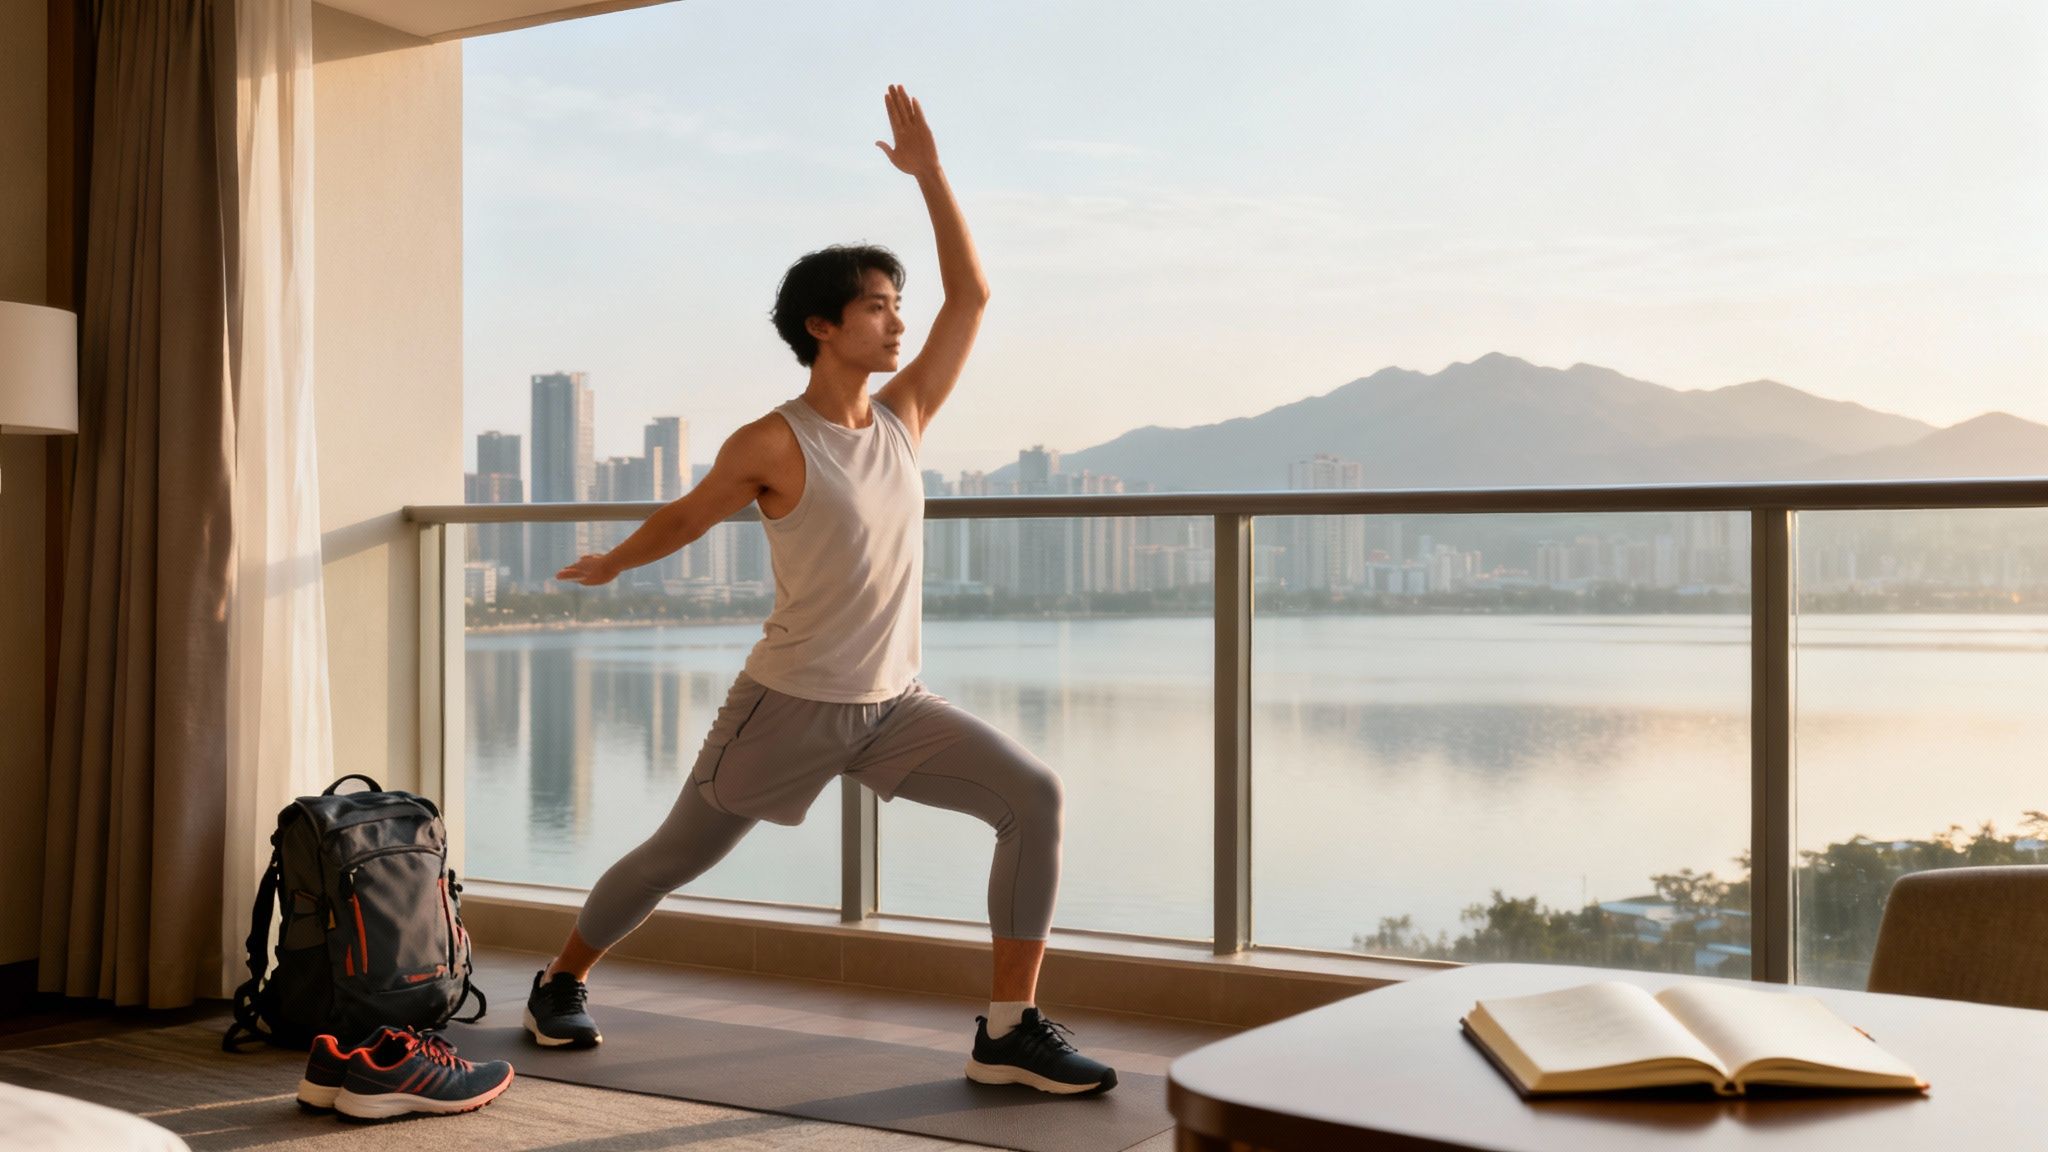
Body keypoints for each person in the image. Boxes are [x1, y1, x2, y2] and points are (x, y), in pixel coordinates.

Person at [527, 85, 1116, 1097]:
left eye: (897, 304)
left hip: (893, 706)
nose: (898, 321)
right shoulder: (770, 440)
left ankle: (1007, 1031)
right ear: (821, 326)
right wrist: (612, 564)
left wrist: (930, 175)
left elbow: (973, 298)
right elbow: (686, 516)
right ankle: (559, 980)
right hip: (788, 706)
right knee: (675, 856)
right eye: (878, 306)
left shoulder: (903, 418)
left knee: (1033, 795)